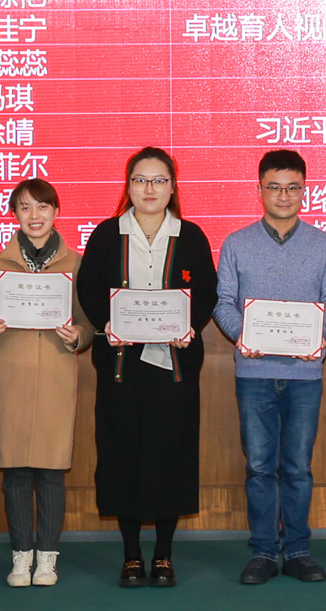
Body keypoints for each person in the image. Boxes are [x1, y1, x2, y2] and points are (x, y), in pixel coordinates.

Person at [75, 147, 217, 589]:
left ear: (172, 187)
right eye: (140, 180)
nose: (149, 189)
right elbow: (89, 288)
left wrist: (188, 325)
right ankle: (132, 555)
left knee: (171, 454)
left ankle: (164, 555)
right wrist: (108, 324)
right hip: (122, 367)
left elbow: (206, 291)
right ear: (128, 186)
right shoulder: (106, 235)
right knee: (123, 455)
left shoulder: (190, 236)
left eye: (159, 180)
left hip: (172, 367)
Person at [214, 149, 326, 585]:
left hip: (304, 375)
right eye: (274, 187)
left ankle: (298, 550)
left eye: (292, 187)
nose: (283, 195)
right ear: (259, 190)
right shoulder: (236, 243)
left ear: (304, 191)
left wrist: (318, 338)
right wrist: (243, 336)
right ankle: (263, 552)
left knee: (297, 467)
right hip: (254, 374)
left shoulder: (323, 245)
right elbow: (223, 302)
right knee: (258, 467)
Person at [0, 178, 94, 588]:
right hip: (12, 375)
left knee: (52, 471)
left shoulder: (75, 264)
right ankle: (21, 558)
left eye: (42, 207)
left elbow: (87, 320)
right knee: (16, 471)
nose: (34, 215)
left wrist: (79, 335)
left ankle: (47, 560)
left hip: (56, 376)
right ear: (14, 215)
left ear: (56, 212)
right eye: (25, 207)